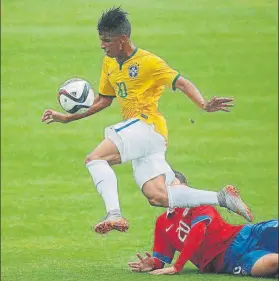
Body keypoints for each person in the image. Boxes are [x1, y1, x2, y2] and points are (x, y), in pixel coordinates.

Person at [41, 7, 252, 235]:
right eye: (101, 40)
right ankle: (222, 198)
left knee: (95, 159)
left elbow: (181, 82)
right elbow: (103, 100)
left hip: (147, 125)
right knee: (157, 195)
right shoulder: (109, 63)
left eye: (107, 41)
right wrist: (67, 118)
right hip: (143, 137)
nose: (103, 45)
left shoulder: (149, 62)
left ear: (122, 40)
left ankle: (114, 213)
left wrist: (203, 105)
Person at [128, 171, 278, 277]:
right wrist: (152, 263)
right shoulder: (162, 223)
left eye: (175, 187)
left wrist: (177, 266)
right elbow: (160, 260)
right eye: (167, 189)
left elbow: (198, 231)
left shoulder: (198, 202)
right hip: (227, 261)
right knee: (273, 263)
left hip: (246, 235)